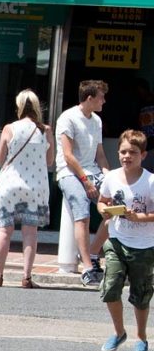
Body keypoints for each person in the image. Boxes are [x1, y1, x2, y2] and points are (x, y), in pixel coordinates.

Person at [96, 130, 154, 351]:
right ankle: (119, 332)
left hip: (144, 245)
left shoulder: (149, 181)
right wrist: (105, 211)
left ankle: (141, 336)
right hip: (117, 241)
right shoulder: (111, 178)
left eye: (133, 152)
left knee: (141, 294)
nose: (127, 156)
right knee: (110, 288)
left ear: (143, 155)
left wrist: (141, 217)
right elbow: (102, 201)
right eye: (123, 151)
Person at [0, 89, 53, 289]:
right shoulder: (46, 130)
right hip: (35, 187)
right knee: (30, 232)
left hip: (9, 186)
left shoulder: (9, 128)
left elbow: (0, 159)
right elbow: (50, 161)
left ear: (19, 106)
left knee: (4, 230)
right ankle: (26, 277)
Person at [56, 80, 111, 285]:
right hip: (69, 172)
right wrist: (86, 181)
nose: (104, 101)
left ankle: (94, 252)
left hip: (92, 169)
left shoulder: (96, 121)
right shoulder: (67, 118)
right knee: (82, 212)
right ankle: (87, 267)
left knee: (114, 208)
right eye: (101, 97)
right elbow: (68, 156)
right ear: (90, 98)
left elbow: (101, 155)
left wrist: (109, 177)